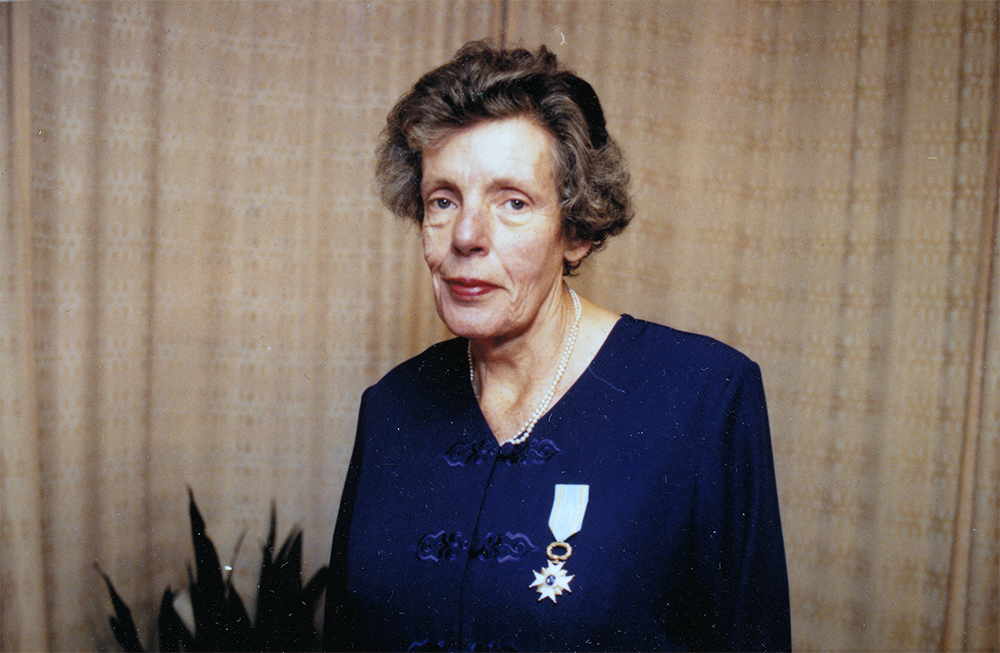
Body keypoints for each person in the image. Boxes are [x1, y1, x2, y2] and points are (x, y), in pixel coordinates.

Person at [324, 41, 791, 652]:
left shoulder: (703, 398)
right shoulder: (390, 408)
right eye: (443, 200)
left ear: (575, 230)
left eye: (513, 202)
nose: (466, 235)